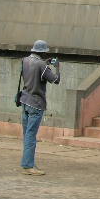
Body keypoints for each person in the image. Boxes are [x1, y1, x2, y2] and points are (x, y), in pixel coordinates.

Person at [19, 39, 60, 176]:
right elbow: (56, 80)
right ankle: (28, 165)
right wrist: (57, 67)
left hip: (24, 100)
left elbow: (33, 72)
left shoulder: (25, 60)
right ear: (42, 52)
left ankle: (27, 163)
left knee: (27, 134)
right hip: (36, 104)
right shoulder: (42, 65)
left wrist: (45, 64)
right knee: (31, 135)